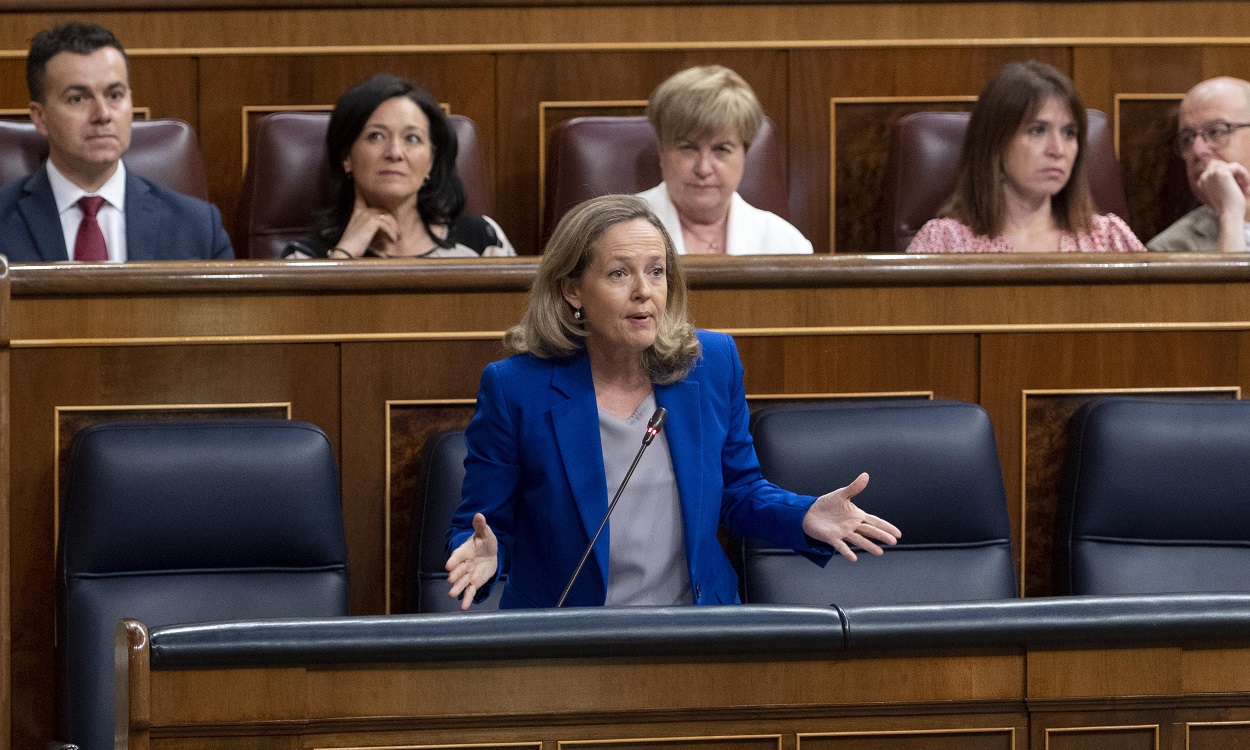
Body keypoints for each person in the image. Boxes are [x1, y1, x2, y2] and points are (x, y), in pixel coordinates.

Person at [445, 195, 899, 610]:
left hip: (693, 631)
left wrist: (803, 514)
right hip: (566, 638)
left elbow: (738, 493)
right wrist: (484, 552)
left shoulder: (711, 364)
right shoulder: (516, 388)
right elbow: (482, 524)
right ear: (572, 290)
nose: (644, 290)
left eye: (656, 271)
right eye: (619, 273)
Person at [0, 22, 233, 263]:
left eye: (114, 95)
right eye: (78, 98)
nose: (103, 114)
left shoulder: (198, 227)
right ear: (40, 117)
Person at [906, 60, 1143, 254]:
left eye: (1069, 133)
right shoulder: (944, 243)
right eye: (1038, 130)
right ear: (995, 143)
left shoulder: (1109, 239)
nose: (1058, 149)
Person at [283, 74, 514, 259]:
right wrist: (345, 254)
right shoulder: (306, 256)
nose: (394, 153)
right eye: (375, 136)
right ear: (347, 157)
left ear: (431, 161)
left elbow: (521, 317)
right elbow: (306, 318)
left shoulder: (483, 241)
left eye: (412, 138)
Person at [637, 65, 813, 256]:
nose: (703, 169)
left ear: (744, 154)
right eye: (688, 148)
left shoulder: (785, 243)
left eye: (721, 149)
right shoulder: (614, 231)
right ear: (662, 152)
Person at [1148, 77, 1250, 253]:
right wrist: (1230, 215)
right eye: (1187, 138)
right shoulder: (1171, 248)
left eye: (1216, 131)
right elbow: (1231, 282)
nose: (1197, 150)